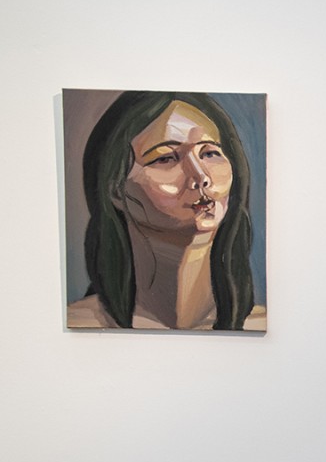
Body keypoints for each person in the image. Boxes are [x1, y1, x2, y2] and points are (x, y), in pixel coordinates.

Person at [68, 90, 264, 331]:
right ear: (115, 190)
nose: (200, 176)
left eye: (210, 153)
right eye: (166, 158)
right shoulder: (80, 326)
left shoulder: (259, 328)